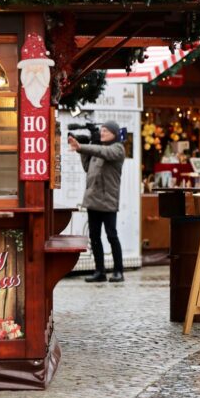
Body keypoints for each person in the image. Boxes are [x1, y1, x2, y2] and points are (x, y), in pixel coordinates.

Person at [69, 121, 126, 283]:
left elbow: (103, 152)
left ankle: (118, 271)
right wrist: (83, 149)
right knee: (94, 237)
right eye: (101, 130)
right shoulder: (97, 148)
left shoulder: (117, 149)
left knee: (111, 235)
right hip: (93, 199)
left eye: (106, 131)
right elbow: (88, 168)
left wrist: (82, 146)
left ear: (114, 134)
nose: (102, 133)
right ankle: (99, 271)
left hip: (108, 200)